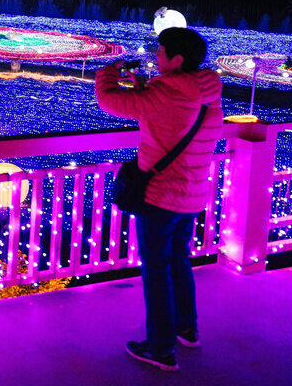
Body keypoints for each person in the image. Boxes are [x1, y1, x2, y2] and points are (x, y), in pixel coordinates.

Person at [95, 27, 223, 371]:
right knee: (179, 262)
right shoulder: (208, 92)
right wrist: (144, 89)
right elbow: (173, 117)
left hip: (161, 197)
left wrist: (108, 72)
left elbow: (109, 101)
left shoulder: (166, 94)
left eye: (161, 51)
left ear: (177, 59)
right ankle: (187, 328)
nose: (155, 55)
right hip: (192, 196)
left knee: (155, 272)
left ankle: (161, 349)